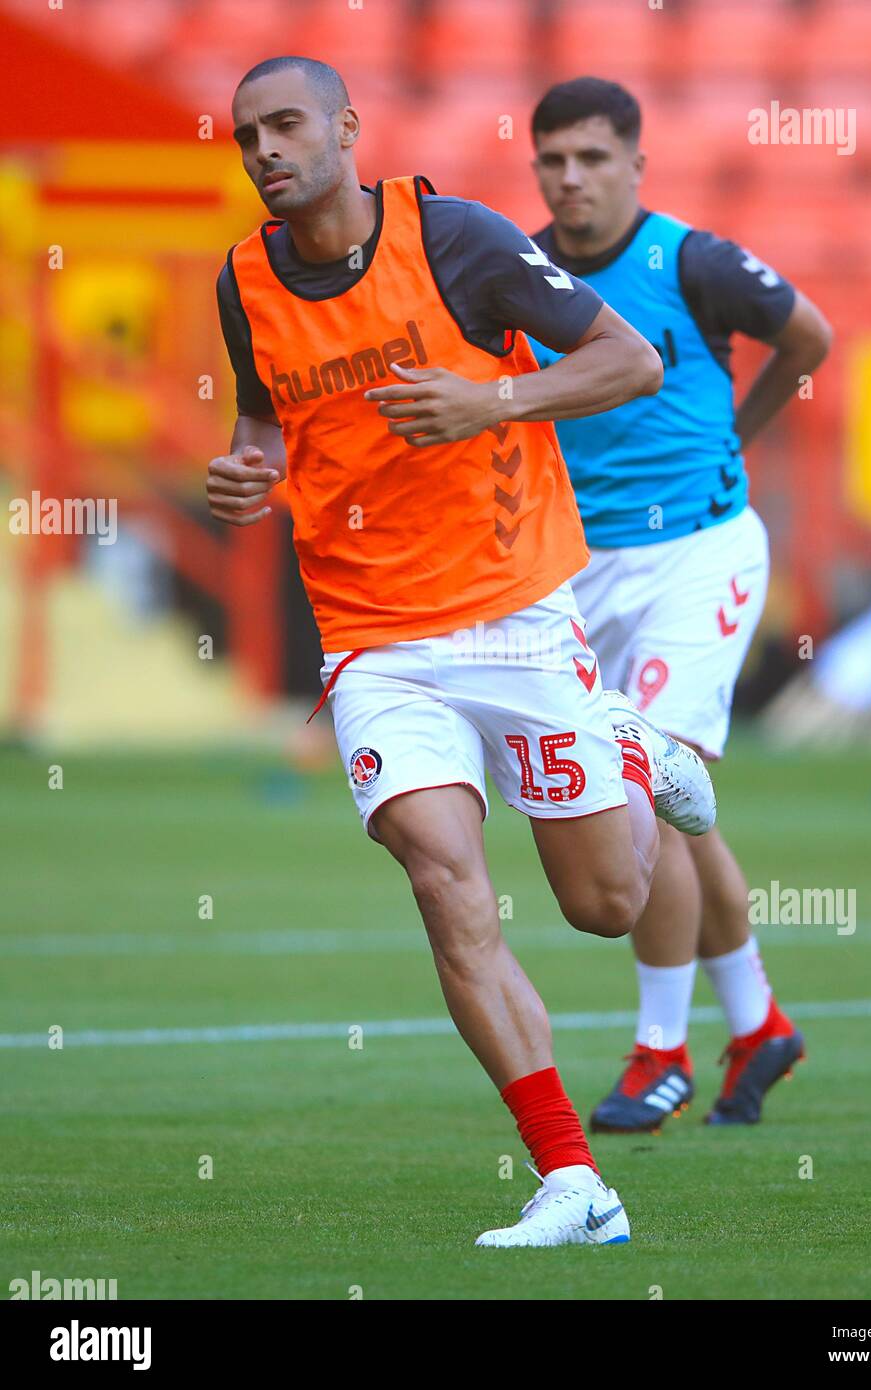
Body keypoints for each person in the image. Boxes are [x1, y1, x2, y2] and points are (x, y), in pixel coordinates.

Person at [209, 56, 715, 1247]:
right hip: (371, 637)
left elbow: (631, 361)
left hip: (512, 615)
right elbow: (261, 420)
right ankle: (571, 1179)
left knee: (603, 903)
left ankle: (627, 755)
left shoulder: (460, 241)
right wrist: (246, 471)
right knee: (445, 880)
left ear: (344, 125)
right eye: (244, 136)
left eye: (285, 125)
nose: (263, 150)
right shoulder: (239, 278)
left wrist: (491, 402)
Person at [527, 77, 833, 1130]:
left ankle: (658, 1050)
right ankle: (757, 1022)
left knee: (646, 782)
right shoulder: (519, 276)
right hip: (578, 574)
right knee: (679, 808)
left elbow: (810, 336)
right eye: (552, 160)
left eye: (591, 158)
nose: (571, 178)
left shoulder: (689, 260)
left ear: (634, 165)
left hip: (699, 553)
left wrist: (735, 434)